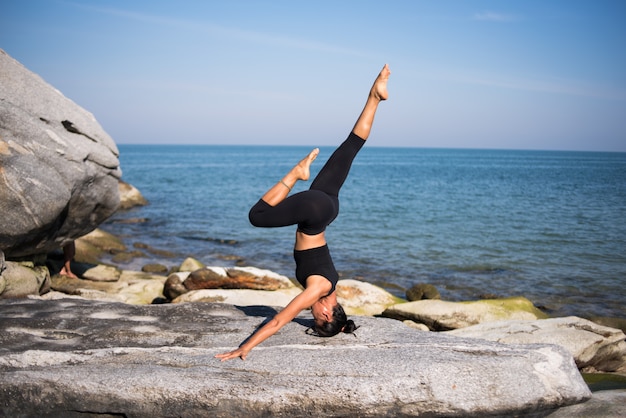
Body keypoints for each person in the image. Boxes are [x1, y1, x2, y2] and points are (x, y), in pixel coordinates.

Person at [216, 64, 390, 361]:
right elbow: (279, 320)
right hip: (313, 212)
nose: (309, 313)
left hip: (328, 207)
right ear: (326, 311)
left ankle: (375, 95)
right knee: (257, 216)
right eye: (315, 319)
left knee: (350, 147)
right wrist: (246, 347)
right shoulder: (318, 289)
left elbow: (287, 315)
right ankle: (297, 172)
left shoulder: (332, 283)